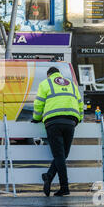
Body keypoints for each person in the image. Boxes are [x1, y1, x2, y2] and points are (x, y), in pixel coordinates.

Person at [32, 67, 84, 197]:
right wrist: (80, 118)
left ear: (48, 74)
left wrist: (36, 118)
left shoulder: (46, 83)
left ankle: (63, 187)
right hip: (71, 121)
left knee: (59, 155)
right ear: (59, 74)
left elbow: (38, 104)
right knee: (63, 155)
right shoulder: (71, 84)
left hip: (53, 123)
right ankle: (49, 176)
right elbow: (80, 103)